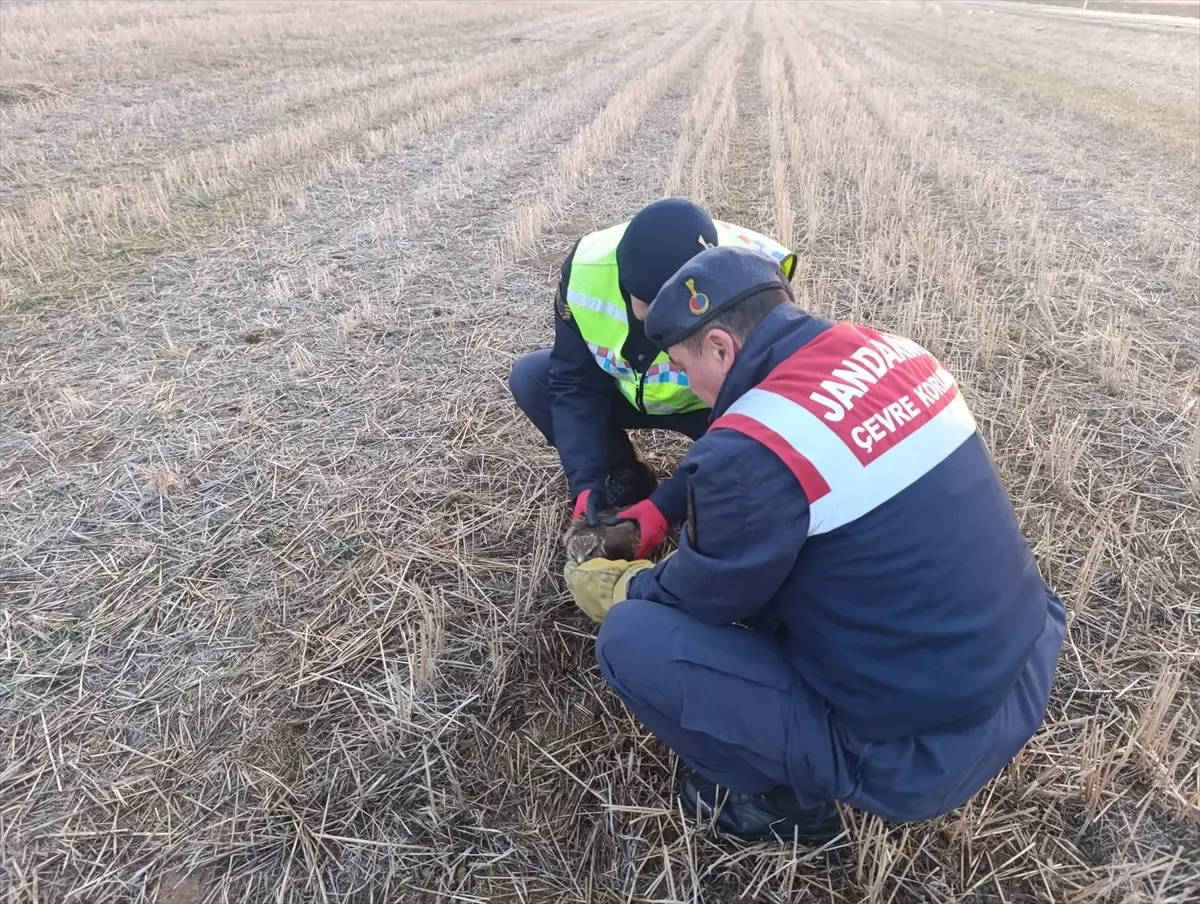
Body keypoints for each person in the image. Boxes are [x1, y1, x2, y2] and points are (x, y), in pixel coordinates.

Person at [562, 246, 1067, 844]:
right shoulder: (900, 354)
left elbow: (709, 598)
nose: (684, 383)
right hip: (1027, 668)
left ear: (721, 347)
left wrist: (628, 585)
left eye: (680, 363)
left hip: (921, 755)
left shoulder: (750, 447)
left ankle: (785, 806)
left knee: (632, 638)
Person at [508, 198, 795, 556]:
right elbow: (573, 381)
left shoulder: (756, 282)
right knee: (534, 377)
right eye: (649, 314)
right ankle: (627, 474)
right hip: (628, 389)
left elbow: (760, 417)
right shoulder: (588, 268)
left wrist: (668, 506)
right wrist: (584, 481)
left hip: (712, 407)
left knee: (753, 492)